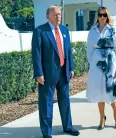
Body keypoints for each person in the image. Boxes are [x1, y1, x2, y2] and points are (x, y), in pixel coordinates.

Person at [31, 6, 80, 138]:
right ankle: (47, 133)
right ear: (48, 16)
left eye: (59, 14)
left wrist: (71, 68)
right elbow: (36, 54)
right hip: (47, 75)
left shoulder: (64, 30)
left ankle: (68, 126)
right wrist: (38, 73)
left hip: (64, 73)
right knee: (46, 104)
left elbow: (68, 51)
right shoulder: (40, 31)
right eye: (55, 15)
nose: (58, 17)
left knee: (65, 102)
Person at [86, 6, 116, 130]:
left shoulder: (113, 30)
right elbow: (89, 49)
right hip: (96, 63)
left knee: (110, 90)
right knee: (99, 92)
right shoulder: (92, 30)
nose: (102, 17)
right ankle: (102, 118)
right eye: (100, 15)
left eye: (104, 15)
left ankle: (115, 115)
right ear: (97, 16)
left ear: (108, 16)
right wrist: (92, 63)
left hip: (110, 62)